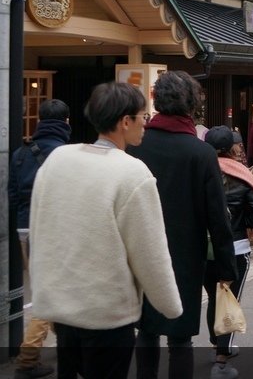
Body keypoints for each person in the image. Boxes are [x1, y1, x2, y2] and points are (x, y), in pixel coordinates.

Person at [30, 83, 181, 379]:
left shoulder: (59, 159)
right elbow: (149, 252)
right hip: (106, 311)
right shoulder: (132, 172)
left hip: (62, 305)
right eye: (142, 117)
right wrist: (170, 305)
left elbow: (40, 229)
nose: (145, 124)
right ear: (125, 121)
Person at [129, 71, 237, 379]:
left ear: (157, 101)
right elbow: (217, 217)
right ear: (191, 104)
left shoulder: (136, 145)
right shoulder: (200, 153)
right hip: (185, 254)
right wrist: (227, 267)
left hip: (141, 251)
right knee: (179, 339)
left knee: (146, 331)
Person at [202, 126, 253, 378]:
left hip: (204, 248)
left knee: (213, 296)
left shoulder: (199, 170)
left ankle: (216, 345)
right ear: (233, 147)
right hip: (235, 247)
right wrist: (241, 222)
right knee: (229, 299)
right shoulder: (240, 173)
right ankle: (222, 358)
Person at [10, 99, 71, 379]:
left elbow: (12, 195)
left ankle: (65, 344)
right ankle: (28, 357)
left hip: (25, 228)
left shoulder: (21, 152)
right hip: (53, 227)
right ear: (66, 122)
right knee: (50, 291)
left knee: (49, 287)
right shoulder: (64, 154)